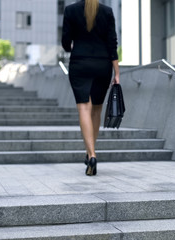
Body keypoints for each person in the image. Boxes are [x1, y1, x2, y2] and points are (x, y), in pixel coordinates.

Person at [62, 0, 119, 176]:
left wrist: (75, 46)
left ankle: (91, 154)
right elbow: (112, 44)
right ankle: (90, 153)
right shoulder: (107, 11)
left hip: (79, 63)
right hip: (103, 65)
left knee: (84, 108)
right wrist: (117, 73)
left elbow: (65, 42)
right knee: (96, 110)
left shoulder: (70, 10)